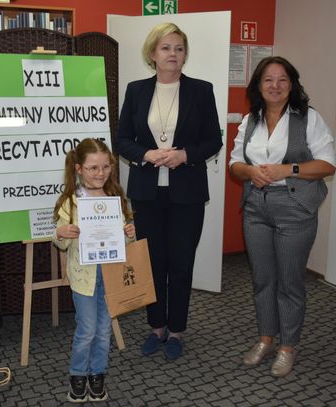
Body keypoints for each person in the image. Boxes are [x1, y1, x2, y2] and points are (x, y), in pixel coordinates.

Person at [115, 22, 223, 361]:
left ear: (185, 54)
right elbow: (122, 140)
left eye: (178, 48)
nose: (172, 54)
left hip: (187, 193)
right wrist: (147, 154)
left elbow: (213, 140)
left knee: (180, 262)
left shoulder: (201, 90)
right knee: (152, 262)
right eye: (165, 48)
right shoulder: (136, 90)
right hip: (147, 192)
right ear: (152, 54)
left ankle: (176, 330)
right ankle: (156, 327)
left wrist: (184, 155)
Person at [229, 56, 336, 377]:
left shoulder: (308, 118)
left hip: (294, 208)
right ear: (258, 85)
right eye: (268, 80)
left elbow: (327, 164)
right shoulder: (251, 120)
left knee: (289, 282)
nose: (275, 86)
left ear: (292, 85)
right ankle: (265, 340)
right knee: (263, 279)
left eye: (282, 80)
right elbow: (235, 164)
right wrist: (250, 171)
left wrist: (287, 169)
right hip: (256, 208)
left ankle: (288, 346)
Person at [52, 138, 135, 403]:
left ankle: (97, 374)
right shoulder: (71, 202)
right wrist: (62, 233)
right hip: (83, 277)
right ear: (79, 169)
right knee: (87, 329)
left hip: (110, 276)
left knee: (103, 330)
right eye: (93, 168)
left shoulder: (115, 198)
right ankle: (78, 375)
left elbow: (124, 242)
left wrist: (129, 234)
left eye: (106, 167)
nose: (101, 173)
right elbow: (60, 242)